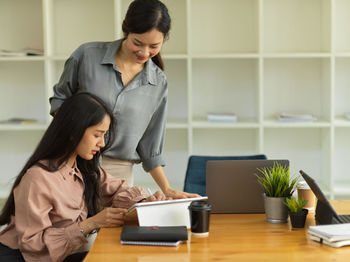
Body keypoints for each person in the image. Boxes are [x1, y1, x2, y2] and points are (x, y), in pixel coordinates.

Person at [49, 0, 199, 199]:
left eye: (154, 46)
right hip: (71, 164)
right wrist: (76, 139)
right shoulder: (87, 56)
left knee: (112, 230)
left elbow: (150, 147)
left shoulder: (158, 83)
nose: (144, 53)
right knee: (70, 229)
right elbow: (60, 101)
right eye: (137, 43)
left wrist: (168, 189)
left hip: (118, 176)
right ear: (125, 30)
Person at [0, 93, 166, 262]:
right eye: (97, 135)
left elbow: (119, 190)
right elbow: (33, 244)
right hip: (22, 257)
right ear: (74, 131)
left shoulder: (84, 168)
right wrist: (91, 224)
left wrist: (147, 201)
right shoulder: (38, 178)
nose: (101, 143)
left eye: (104, 135)